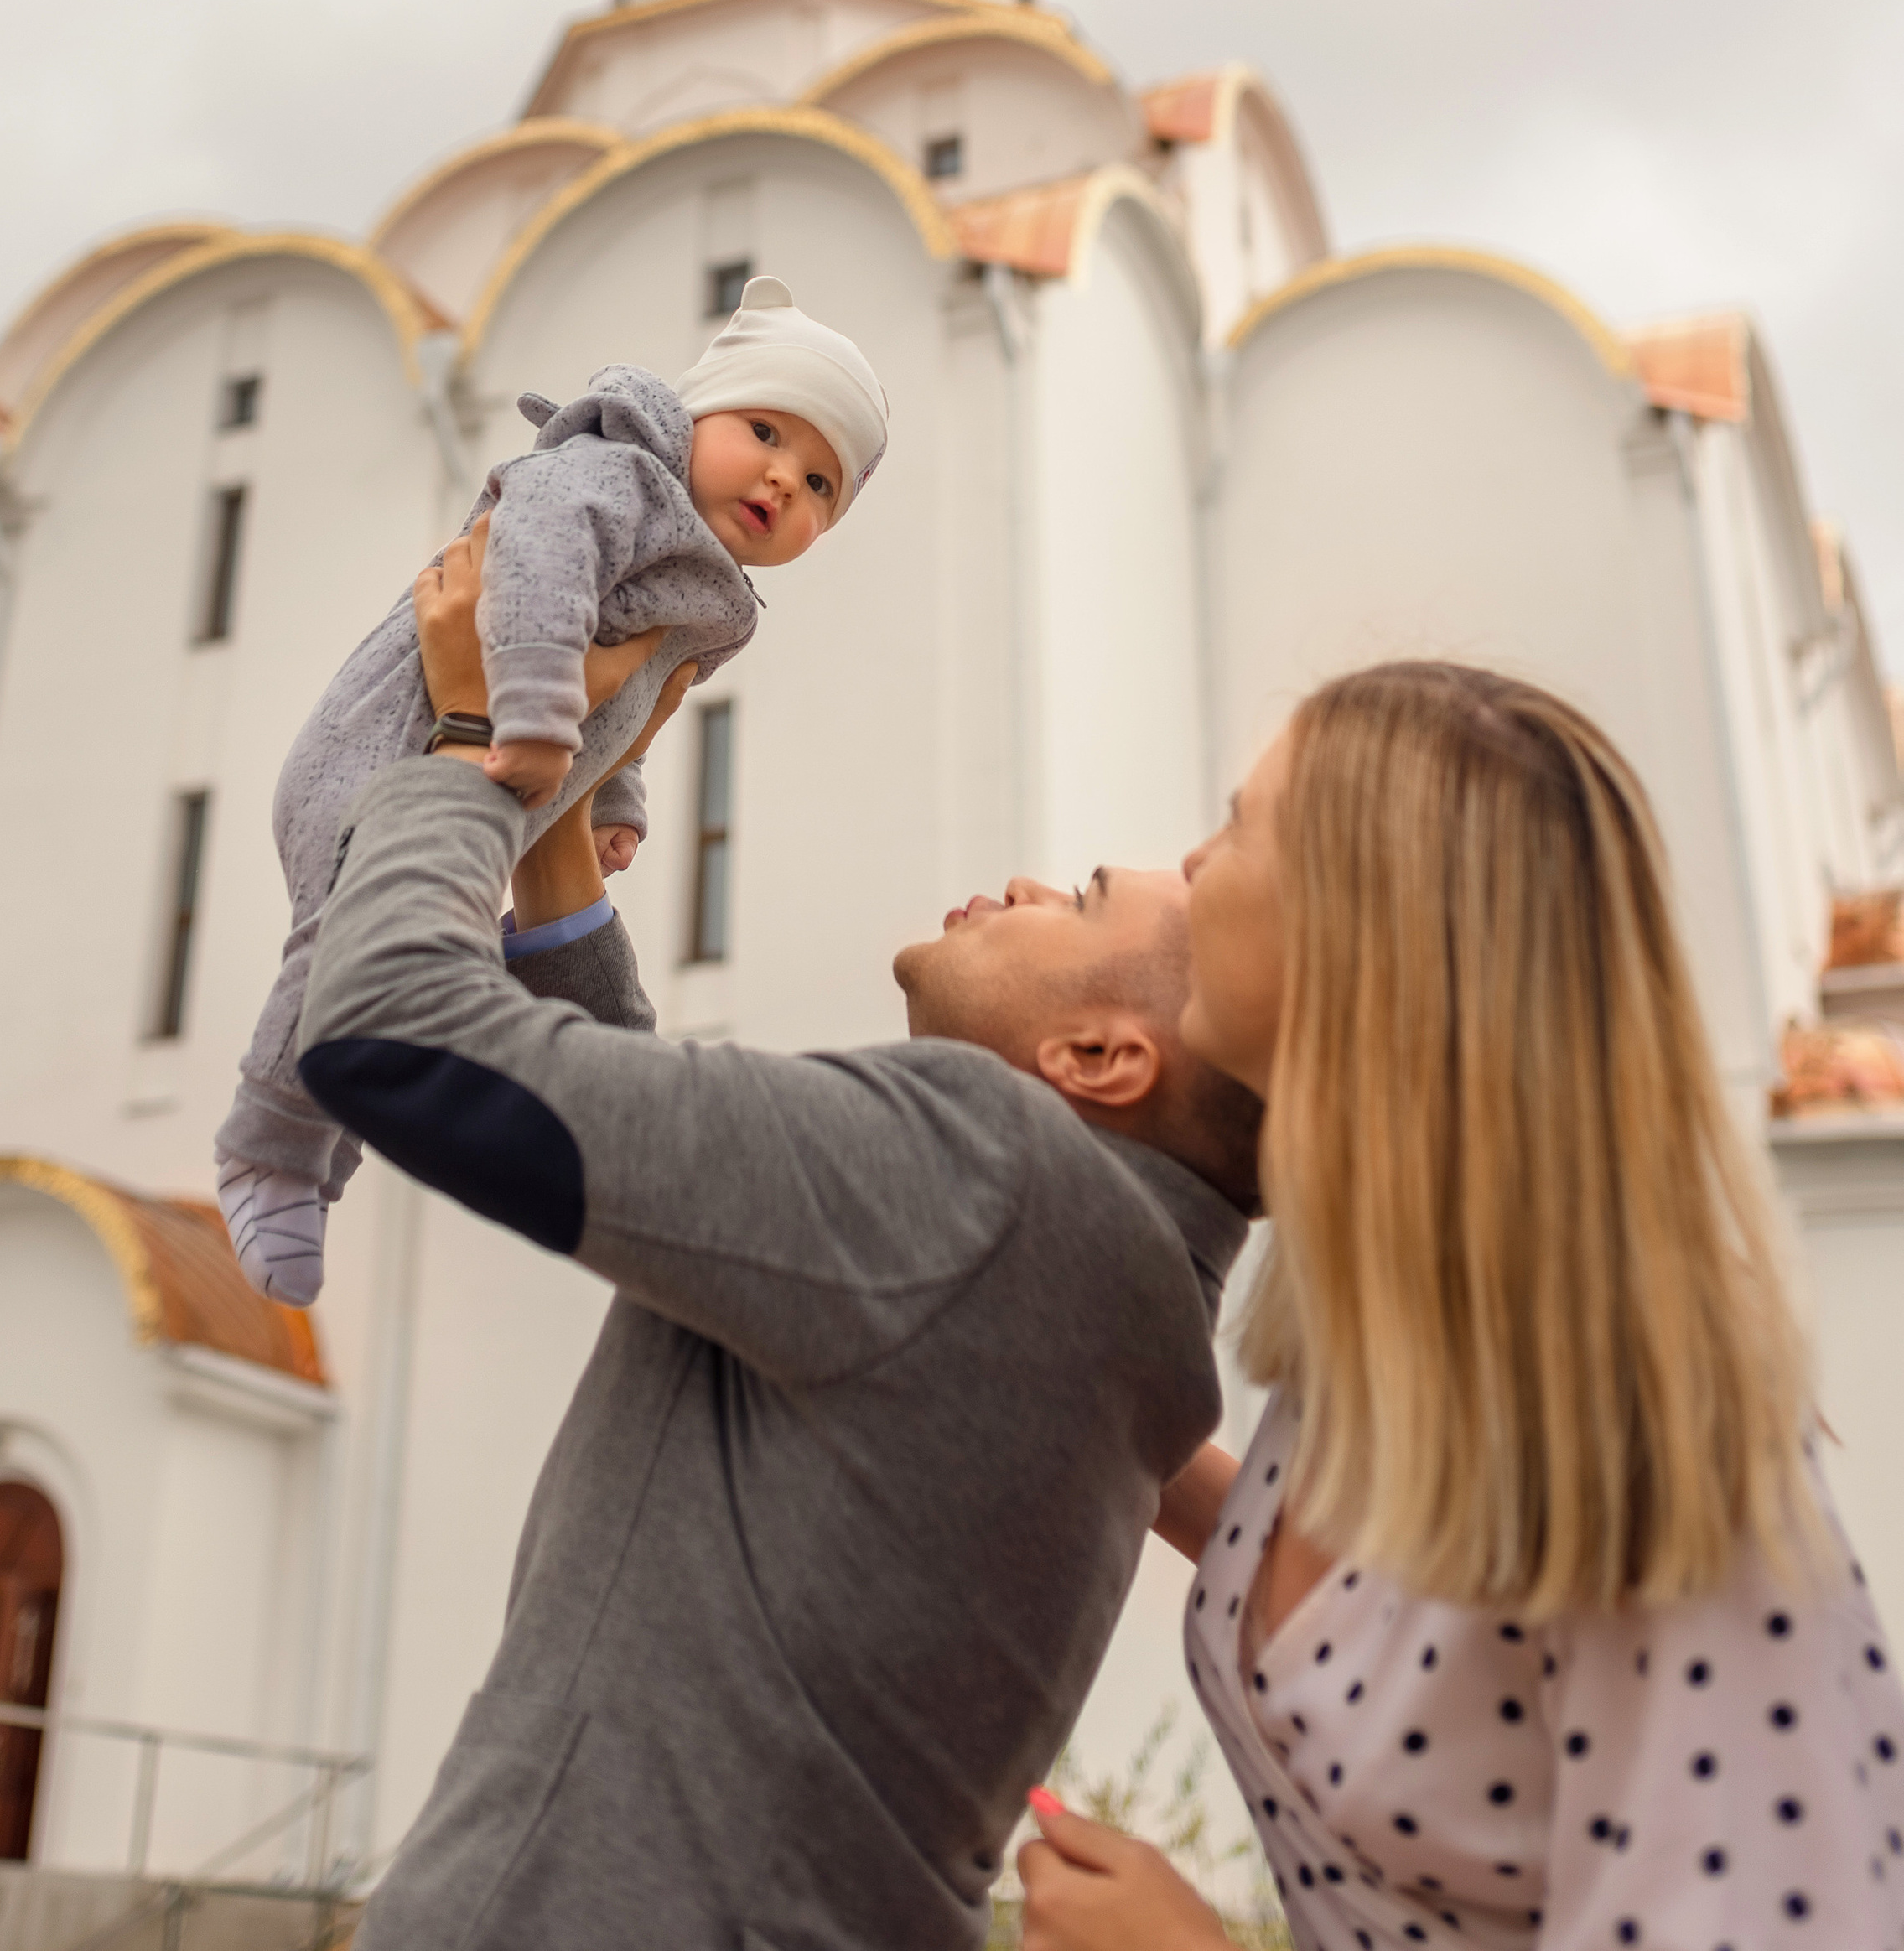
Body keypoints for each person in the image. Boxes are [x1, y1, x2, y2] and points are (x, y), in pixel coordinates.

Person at [293, 536, 1267, 1951]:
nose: (1027, 881)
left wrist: (465, 735)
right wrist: (557, 818)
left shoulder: (988, 1173)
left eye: (1082, 897)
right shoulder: (1104, 1280)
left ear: (1101, 1055)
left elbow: (392, 1034)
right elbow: (666, 1151)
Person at [1017, 662, 1904, 1951]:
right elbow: (1402, 1616)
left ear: (1366, 928)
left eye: (1242, 823)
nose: (1195, 864)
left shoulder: (1660, 1465)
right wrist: (1089, 1411)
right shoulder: (1380, 1360)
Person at [214, 273, 889, 1303]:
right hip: (388, 745)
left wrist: (610, 802)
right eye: (764, 431)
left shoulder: (710, 592)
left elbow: (632, 705)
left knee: (395, 971)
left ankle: (317, 1155)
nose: (784, 478)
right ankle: (266, 1149)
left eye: (822, 484)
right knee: (348, 936)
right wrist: (528, 713)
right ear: (698, 412)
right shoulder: (616, 474)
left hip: (493, 790)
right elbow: (534, 574)